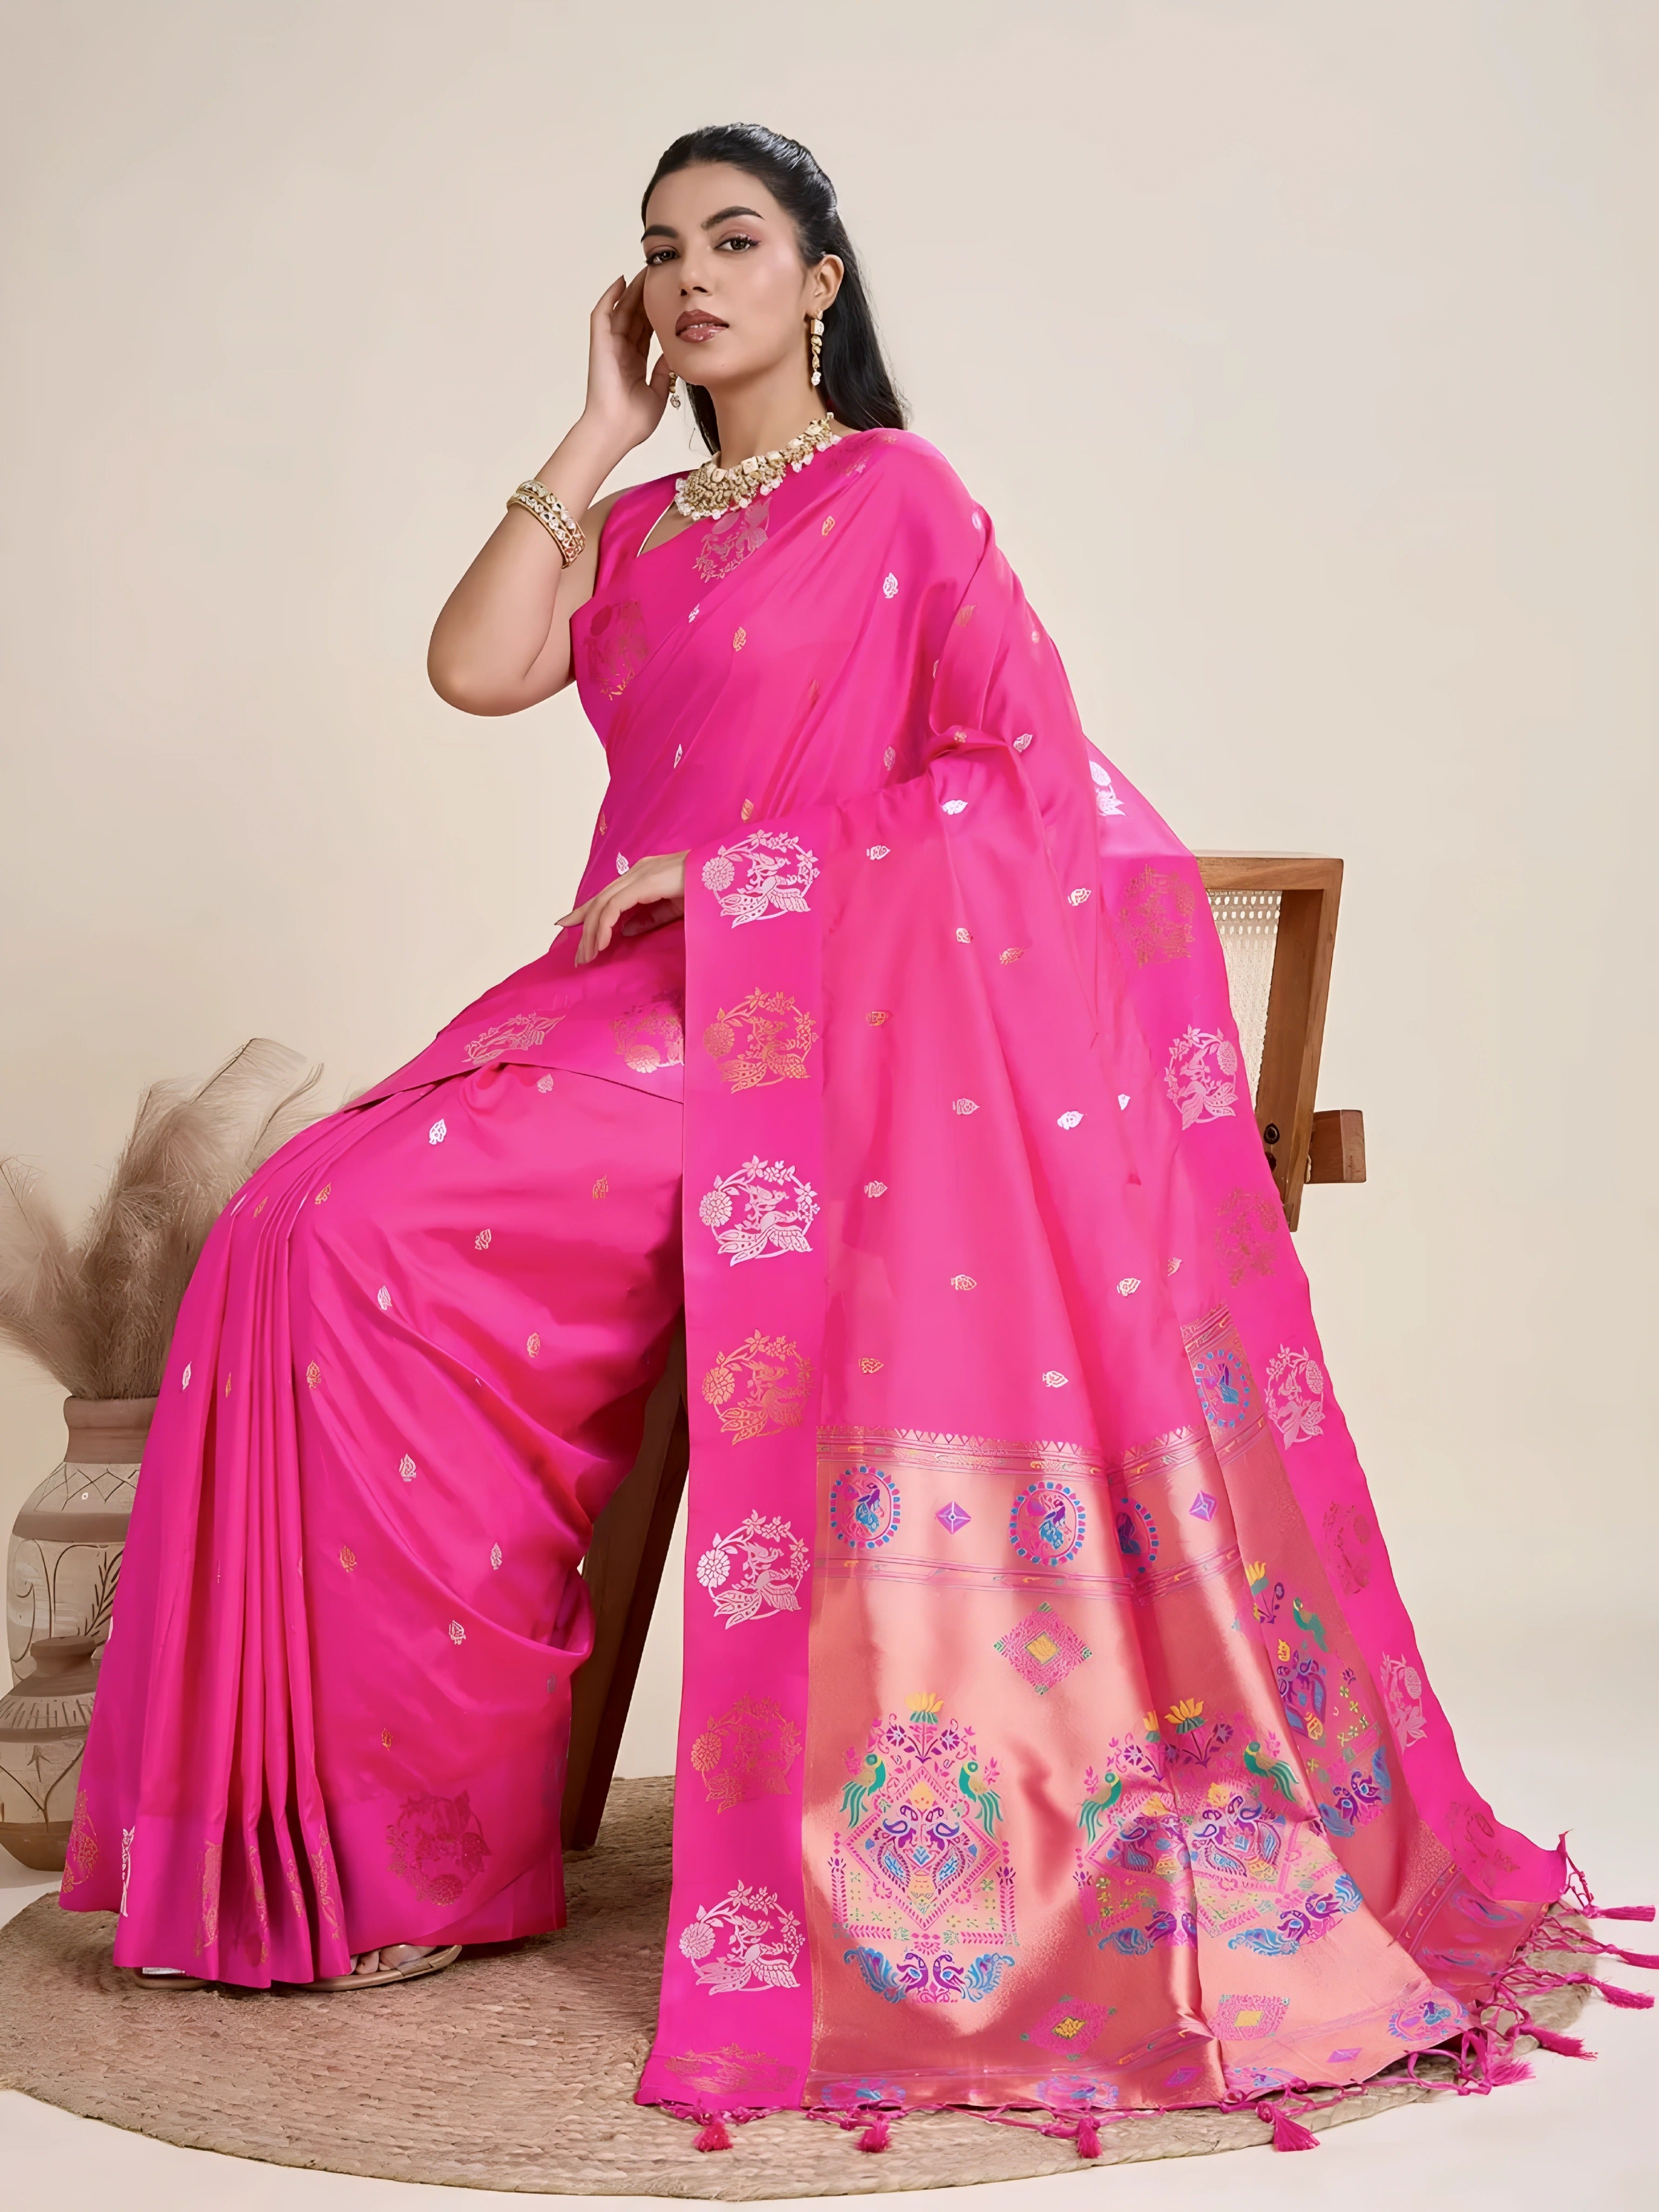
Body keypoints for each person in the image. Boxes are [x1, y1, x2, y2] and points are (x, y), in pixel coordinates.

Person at [63, 123, 1650, 2144]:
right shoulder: (631, 532)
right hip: (607, 1011)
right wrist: (586, 429)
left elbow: (1027, 788)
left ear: (823, 279)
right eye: (660, 250)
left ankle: (414, 1860)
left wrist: (750, 887)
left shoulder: (899, 497)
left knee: (365, 1239)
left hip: (786, 1042)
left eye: (737, 239)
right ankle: (348, 1846)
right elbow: (470, 668)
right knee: (291, 1220)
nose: (693, 272)